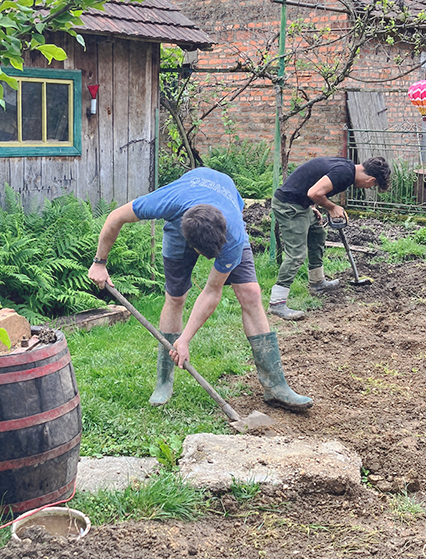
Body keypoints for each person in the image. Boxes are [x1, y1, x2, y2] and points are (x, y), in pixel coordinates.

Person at [88, 168, 312, 412]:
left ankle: (276, 386)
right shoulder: (166, 201)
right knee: (175, 297)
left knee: (251, 293)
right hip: (180, 222)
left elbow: (212, 291)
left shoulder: (233, 234)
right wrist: (100, 263)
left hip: (225, 222)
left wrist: (185, 340)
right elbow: (115, 217)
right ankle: (164, 382)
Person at [268, 156, 391, 321]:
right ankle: (277, 303)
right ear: (371, 179)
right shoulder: (344, 173)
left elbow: (310, 181)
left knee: (318, 233)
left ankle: (317, 283)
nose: (369, 187)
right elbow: (314, 192)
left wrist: (313, 206)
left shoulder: (347, 167)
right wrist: (332, 207)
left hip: (301, 204)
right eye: (373, 185)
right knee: (296, 254)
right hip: (289, 205)